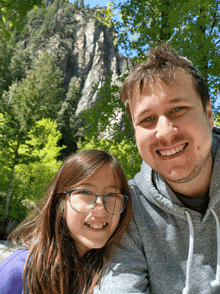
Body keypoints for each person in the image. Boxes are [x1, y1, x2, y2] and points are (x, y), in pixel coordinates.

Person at [93, 44, 220, 294]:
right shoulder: (128, 208)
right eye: (147, 119)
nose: (164, 133)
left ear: (208, 114)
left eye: (178, 109)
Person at [0, 149, 132, 294]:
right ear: (60, 205)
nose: (101, 208)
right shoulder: (20, 272)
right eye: (86, 192)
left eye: (112, 194)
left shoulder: (121, 274)